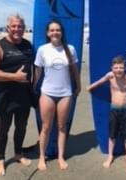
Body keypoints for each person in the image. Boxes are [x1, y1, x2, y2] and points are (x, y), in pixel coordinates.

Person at [0, 14, 34, 176]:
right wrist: (15, 77)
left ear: (24, 27)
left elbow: (34, 68)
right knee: (3, 129)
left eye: (20, 26)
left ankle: (18, 153)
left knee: (21, 127)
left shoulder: (27, 45)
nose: (17, 29)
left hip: (24, 96)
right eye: (13, 26)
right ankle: (1, 159)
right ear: (8, 28)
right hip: (4, 96)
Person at [34, 20, 81, 171]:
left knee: (62, 127)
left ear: (62, 32)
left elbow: (74, 70)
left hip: (65, 93)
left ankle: (61, 156)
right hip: (47, 92)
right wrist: (32, 86)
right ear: (48, 33)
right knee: (46, 127)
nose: (55, 32)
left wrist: (78, 85)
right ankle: (42, 157)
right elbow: (38, 71)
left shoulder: (70, 49)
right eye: (52, 30)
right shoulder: (42, 49)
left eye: (58, 30)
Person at [86, 56, 126, 169]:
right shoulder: (110, 76)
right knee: (112, 134)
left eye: (121, 67)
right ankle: (110, 156)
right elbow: (100, 82)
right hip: (113, 109)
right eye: (116, 67)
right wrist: (91, 87)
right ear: (112, 68)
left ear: (125, 68)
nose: (118, 70)